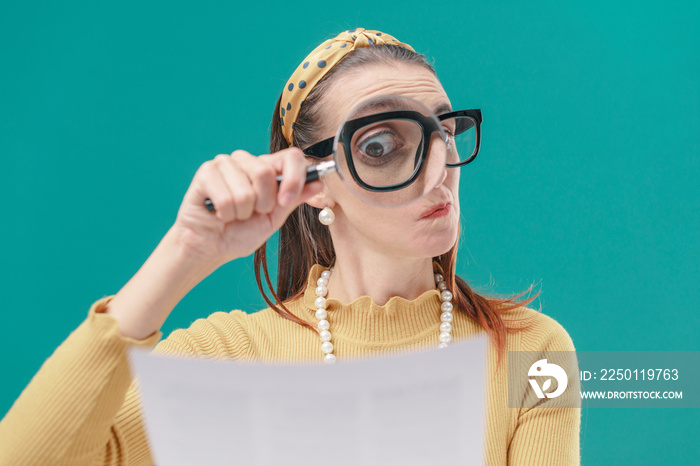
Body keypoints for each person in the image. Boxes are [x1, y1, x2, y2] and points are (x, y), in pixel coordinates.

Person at [0, 28, 581, 465]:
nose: (438, 173)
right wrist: (184, 253)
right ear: (316, 183)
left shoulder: (533, 352)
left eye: (444, 131)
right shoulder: (228, 358)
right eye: (382, 146)